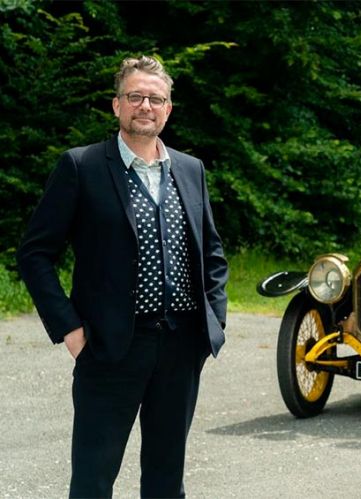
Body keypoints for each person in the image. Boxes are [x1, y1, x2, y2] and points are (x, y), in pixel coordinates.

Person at [16, 55, 229, 498]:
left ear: (168, 109)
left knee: (166, 479)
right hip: (109, 348)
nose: (145, 106)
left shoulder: (190, 170)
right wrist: (71, 332)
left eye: (156, 98)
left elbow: (211, 252)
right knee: (93, 480)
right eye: (135, 96)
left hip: (180, 347)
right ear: (117, 105)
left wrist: (214, 322)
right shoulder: (82, 167)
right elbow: (35, 254)